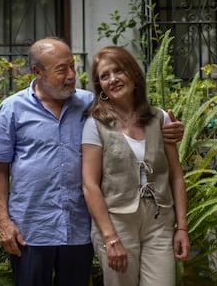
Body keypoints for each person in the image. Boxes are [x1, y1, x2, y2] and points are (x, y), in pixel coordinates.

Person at [0, 37, 184, 286]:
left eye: (72, 66)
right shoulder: (12, 109)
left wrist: (172, 130)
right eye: (61, 70)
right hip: (31, 230)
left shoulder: (90, 104)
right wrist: (4, 222)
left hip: (77, 229)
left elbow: (133, 116)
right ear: (37, 72)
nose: (71, 75)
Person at [81, 46, 190, 286]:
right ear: (100, 87)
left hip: (159, 221)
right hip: (116, 223)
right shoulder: (95, 124)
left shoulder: (160, 118)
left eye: (118, 71)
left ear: (133, 73)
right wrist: (110, 238)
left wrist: (182, 227)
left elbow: (176, 177)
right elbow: (90, 185)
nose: (113, 80)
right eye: (104, 76)